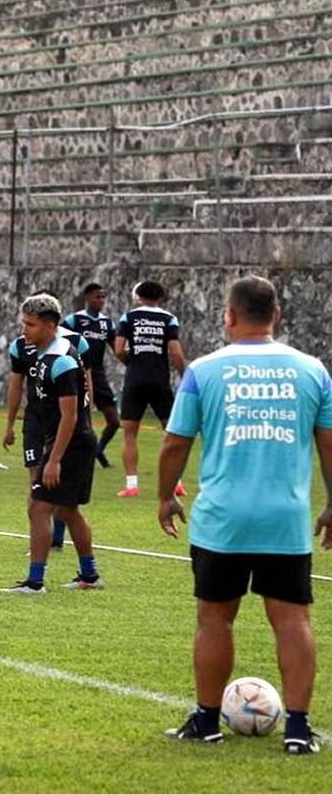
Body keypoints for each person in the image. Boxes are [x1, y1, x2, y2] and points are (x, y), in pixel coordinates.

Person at [158, 276, 332, 753]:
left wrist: (165, 496)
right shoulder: (313, 371)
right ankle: (298, 731)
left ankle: (206, 721)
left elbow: (174, 443)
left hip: (222, 520)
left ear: (229, 316)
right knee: (292, 621)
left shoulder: (203, 371)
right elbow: (329, 444)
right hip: (285, 519)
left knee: (214, 620)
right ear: (276, 315)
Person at [0, 293, 101, 594]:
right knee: (67, 510)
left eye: (30, 325)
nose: (24, 330)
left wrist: (54, 459)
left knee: (40, 507)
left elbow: (70, 416)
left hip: (71, 443)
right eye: (23, 323)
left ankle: (35, 582)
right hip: (65, 441)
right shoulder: (44, 355)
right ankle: (90, 576)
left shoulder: (62, 360)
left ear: (50, 325)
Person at [113, 280, 186, 498]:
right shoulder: (169, 319)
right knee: (171, 432)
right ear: (160, 297)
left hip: (134, 380)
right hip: (159, 380)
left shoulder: (128, 317)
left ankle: (132, 485)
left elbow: (118, 349)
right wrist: (186, 378)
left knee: (129, 434)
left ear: (138, 297)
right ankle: (176, 483)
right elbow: (176, 352)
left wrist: (133, 363)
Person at [62, 282, 121, 468]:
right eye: (97, 297)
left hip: (98, 375)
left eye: (103, 297)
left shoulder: (106, 323)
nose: (101, 300)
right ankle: (69, 455)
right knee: (80, 419)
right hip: (77, 374)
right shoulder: (75, 320)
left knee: (114, 421)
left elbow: (117, 348)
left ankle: (97, 452)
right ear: (87, 298)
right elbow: (59, 341)